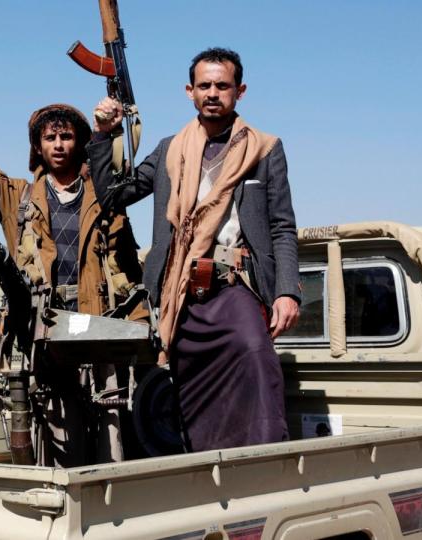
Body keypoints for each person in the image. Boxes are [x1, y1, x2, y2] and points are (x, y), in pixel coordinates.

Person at [89, 47, 300, 451]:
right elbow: (116, 196)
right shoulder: (170, 148)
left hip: (237, 287)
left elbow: (282, 227)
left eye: (223, 85)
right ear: (190, 91)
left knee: (257, 360)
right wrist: (103, 135)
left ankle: (265, 468)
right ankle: (206, 479)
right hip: (181, 295)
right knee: (192, 400)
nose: (213, 93)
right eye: (204, 85)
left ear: (240, 90)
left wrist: (288, 291)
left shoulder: (265, 148)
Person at [0, 82, 147, 466]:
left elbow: (127, 265)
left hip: (99, 327)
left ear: (78, 142)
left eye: (66, 136)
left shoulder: (106, 195)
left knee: (111, 438)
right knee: (59, 439)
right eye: (50, 138)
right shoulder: (19, 197)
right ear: (38, 146)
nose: (59, 144)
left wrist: (140, 330)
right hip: (44, 334)